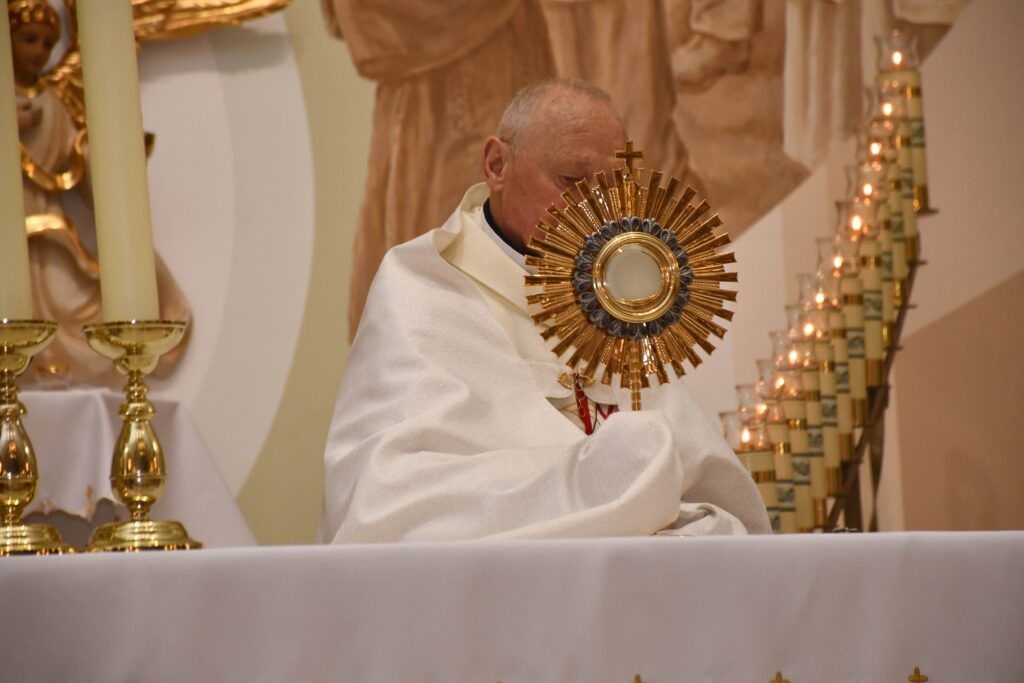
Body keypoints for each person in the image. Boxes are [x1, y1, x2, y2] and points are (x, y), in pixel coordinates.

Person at [321, 79, 771, 543]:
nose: (596, 210)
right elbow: (387, 504)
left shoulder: (616, 303)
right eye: (572, 181)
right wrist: (598, 484)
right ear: (497, 165)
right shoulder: (422, 286)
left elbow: (716, 500)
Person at [9, 0, 190, 385]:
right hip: (9, 233)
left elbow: (72, 162)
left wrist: (107, 160)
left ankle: (51, 365)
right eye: (29, 39)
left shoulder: (52, 103)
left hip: (49, 229)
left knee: (72, 300)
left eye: (47, 43)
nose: (39, 51)